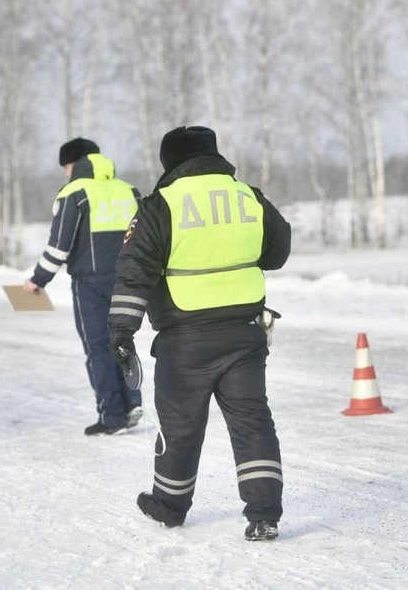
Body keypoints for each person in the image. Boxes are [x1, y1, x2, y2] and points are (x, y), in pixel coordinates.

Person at [107, 126, 291, 541]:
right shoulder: (249, 197)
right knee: (253, 424)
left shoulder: (160, 206)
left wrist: (121, 332)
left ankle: (169, 508)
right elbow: (277, 253)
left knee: (181, 427)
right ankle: (264, 514)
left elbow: (134, 274)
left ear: (170, 161)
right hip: (245, 335)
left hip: (185, 338)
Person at [24, 138, 143, 436]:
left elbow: (58, 247)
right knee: (123, 340)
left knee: (99, 349)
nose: (65, 173)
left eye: (66, 167)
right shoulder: (128, 191)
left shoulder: (74, 193)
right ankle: (132, 403)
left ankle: (112, 417)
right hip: (128, 278)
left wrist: (38, 280)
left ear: (74, 163)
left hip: (90, 283)